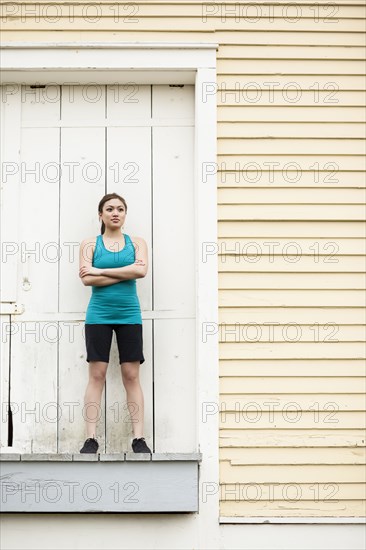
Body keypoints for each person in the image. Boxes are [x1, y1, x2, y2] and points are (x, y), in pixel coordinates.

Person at [78, 192, 151, 454]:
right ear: (101, 215)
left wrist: (100, 271)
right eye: (109, 209)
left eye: (120, 209)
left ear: (125, 214)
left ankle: (139, 439)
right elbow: (87, 280)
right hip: (98, 315)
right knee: (96, 375)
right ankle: (91, 439)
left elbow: (141, 271)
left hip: (129, 315)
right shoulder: (89, 244)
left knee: (131, 375)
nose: (115, 213)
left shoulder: (138, 243)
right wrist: (123, 272)